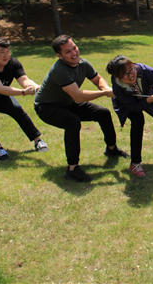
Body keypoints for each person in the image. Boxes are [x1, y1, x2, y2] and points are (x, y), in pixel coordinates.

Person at [34, 35, 128, 182]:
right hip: (46, 107)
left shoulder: (83, 64)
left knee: (103, 113)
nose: (74, 53)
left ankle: (111, 149)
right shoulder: (59, 70)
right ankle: (72, 169)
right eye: (68, 52)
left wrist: (105, 88)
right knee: (72, 122)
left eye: (74, 48)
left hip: (67, 102)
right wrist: (104, 93)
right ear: (59, 56)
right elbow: (78, 96)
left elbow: (97, 79)